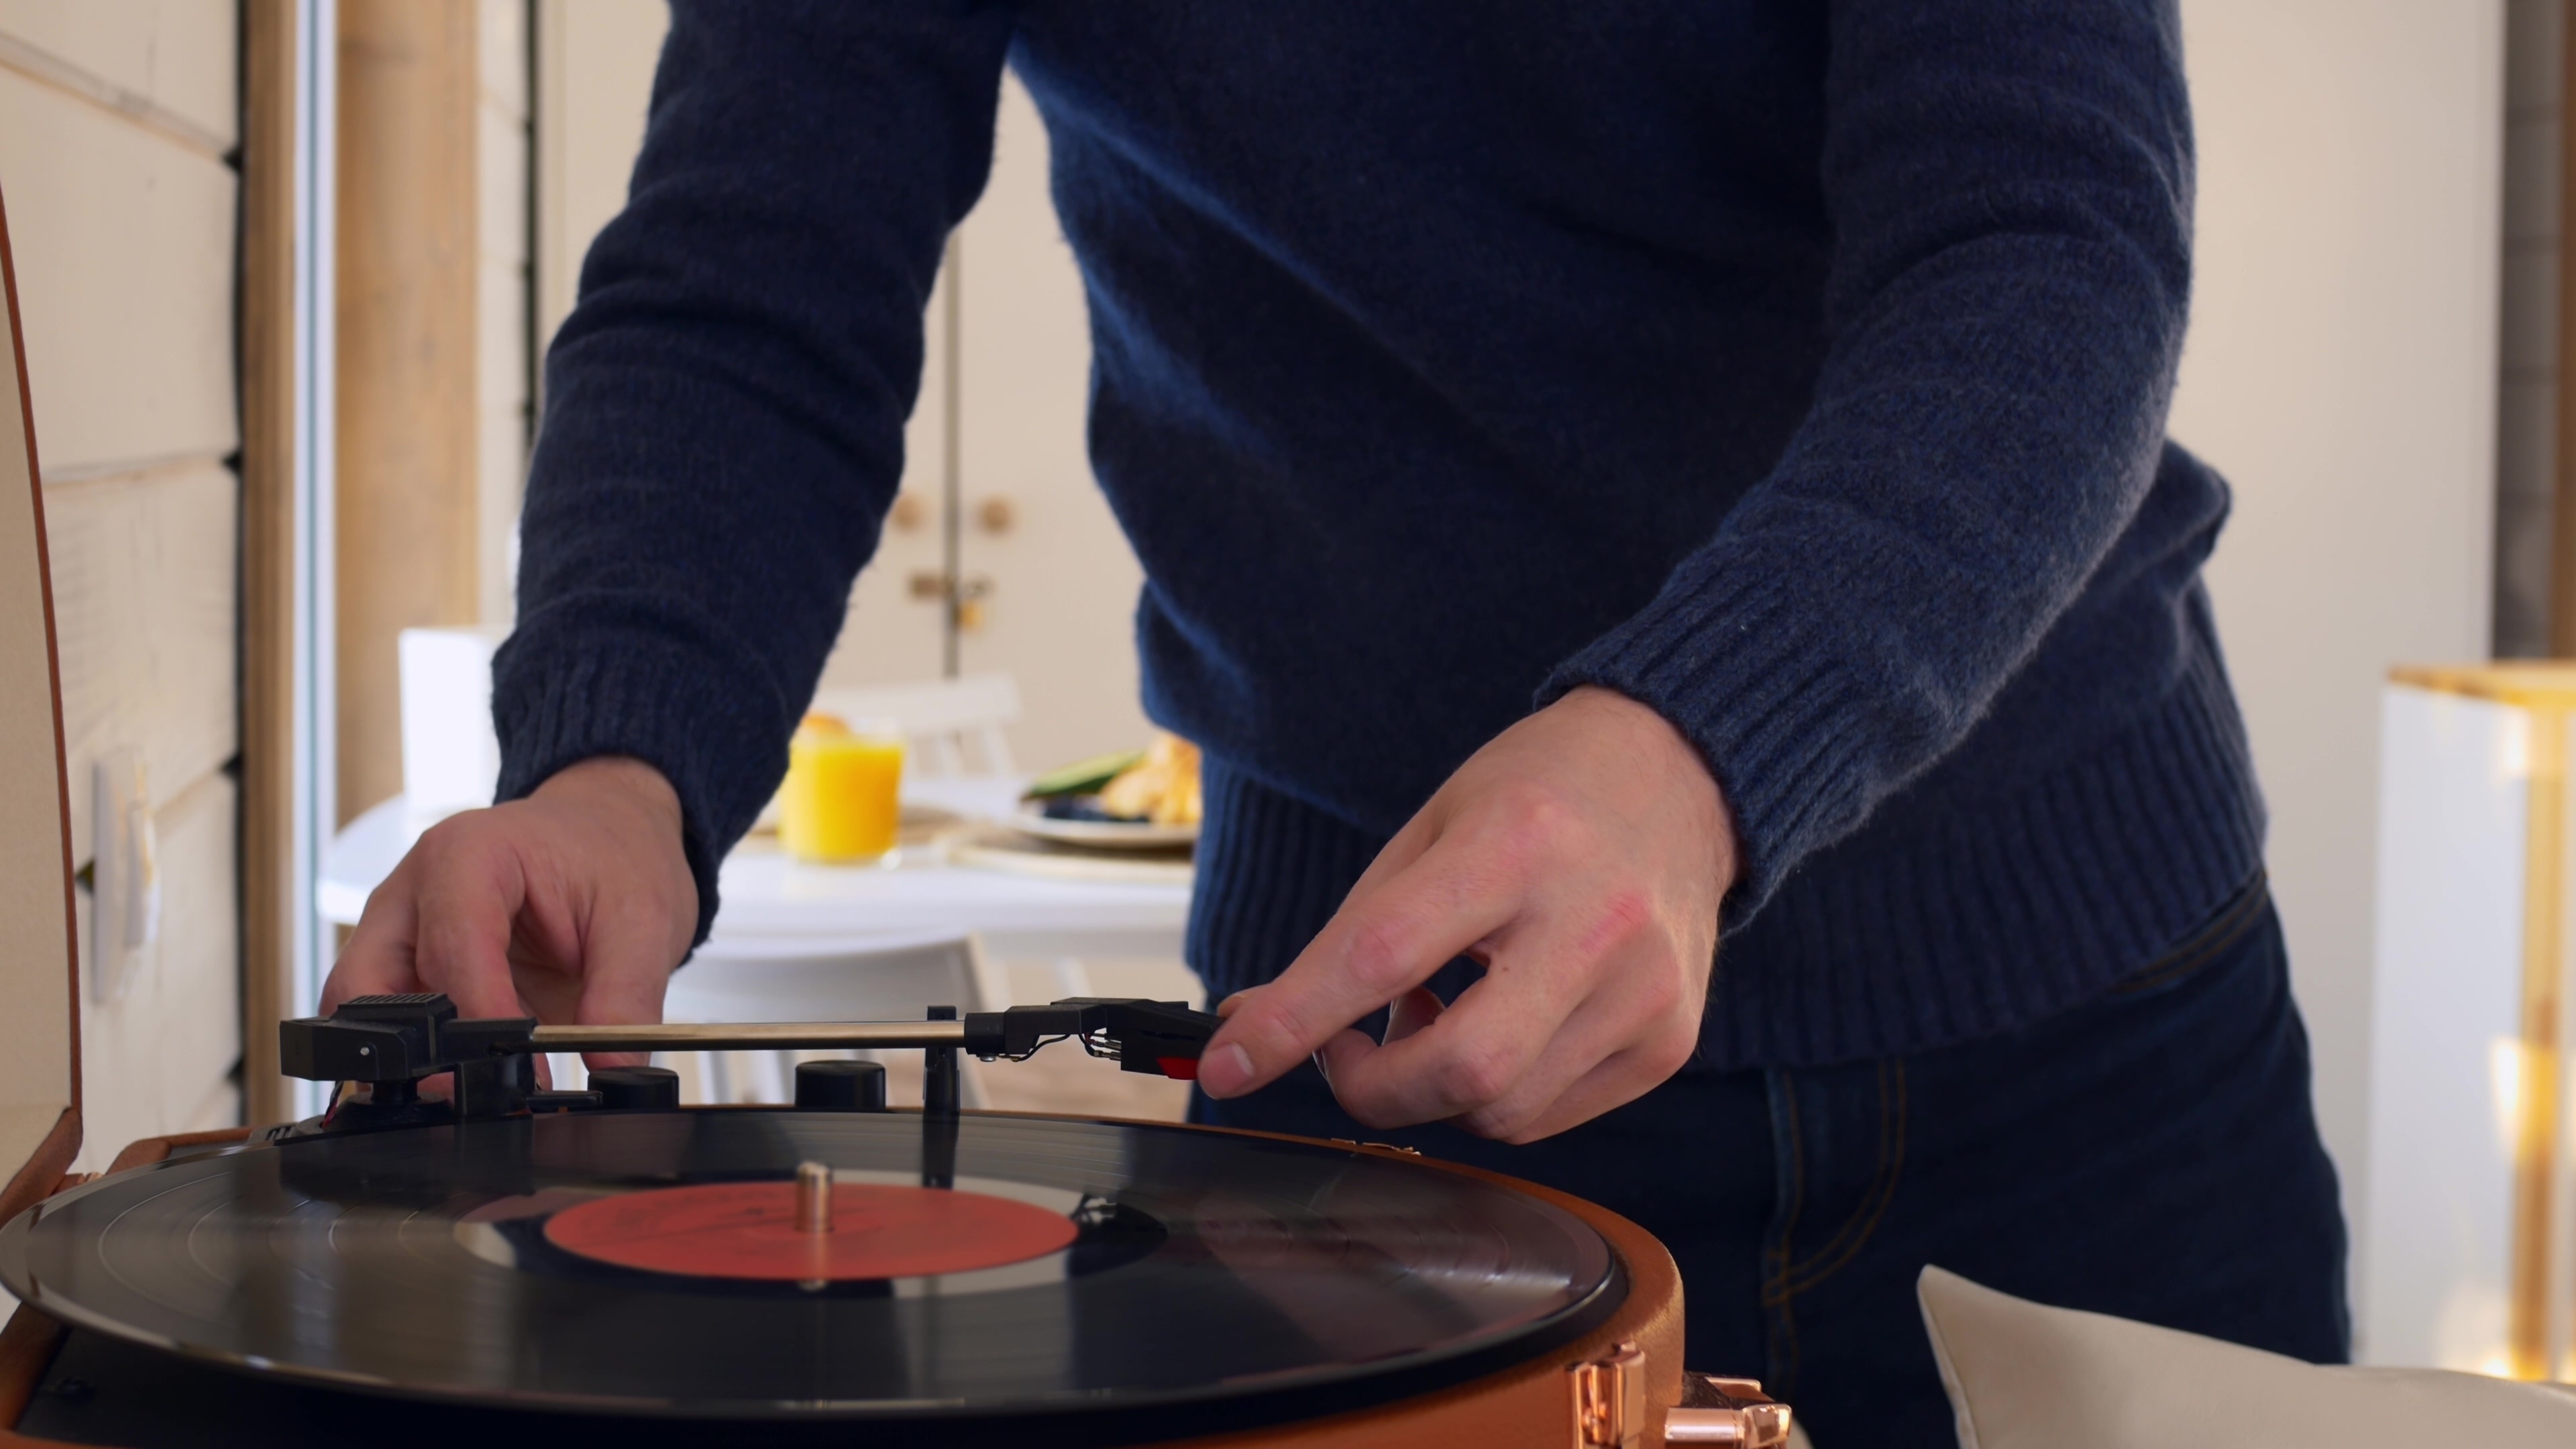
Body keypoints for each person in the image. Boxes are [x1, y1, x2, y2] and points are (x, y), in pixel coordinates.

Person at [324, 3, 2348, 1439]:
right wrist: (615, 763)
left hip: (2089, 1046)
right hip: (1382, 1085)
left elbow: (2044, 239)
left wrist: (1708, 740)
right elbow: (753, 283)